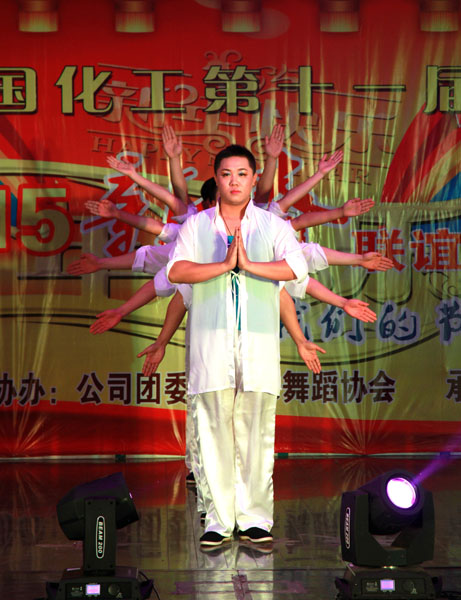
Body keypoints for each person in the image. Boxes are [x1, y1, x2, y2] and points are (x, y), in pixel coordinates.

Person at [166, 144, 376, 548]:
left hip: (258, 347)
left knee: (256, 433)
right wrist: (223, 266)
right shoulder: (196, 225)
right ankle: (217, 520)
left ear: (253, 179)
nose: (234, 182)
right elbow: (176, 271)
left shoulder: (272, 226)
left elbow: (296, 267)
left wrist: (248, 266)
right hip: (210, 347)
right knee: (212, 432)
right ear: (216, 179)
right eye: (226, 174)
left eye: (242, 174)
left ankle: (255, 518)